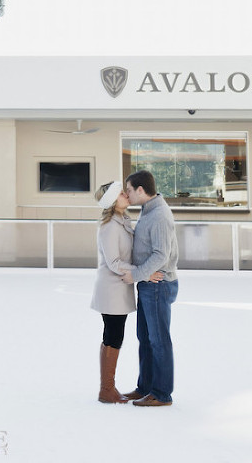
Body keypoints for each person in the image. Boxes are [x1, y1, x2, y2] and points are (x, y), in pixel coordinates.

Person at [90, 180, 163, 404]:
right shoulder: (110, 226)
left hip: (120, 288)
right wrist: (144, 272)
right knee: (113, 335)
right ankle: (106, 390)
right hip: (111, 289)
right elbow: (113, 262)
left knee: (115, 335)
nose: (126, 195)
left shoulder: (122, 220)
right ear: (113, 201)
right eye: (121, 193)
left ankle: (108, 388)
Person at [122, 169, 179, 408]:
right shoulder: (148, 210)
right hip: (148, 284)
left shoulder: (159, 215)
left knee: (158, 340)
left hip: (158, 285)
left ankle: (162, 393)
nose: (127, 195)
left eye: (129, 191)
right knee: (144, 338)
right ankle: (145, 387)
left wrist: (135, 275)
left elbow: (160, 255)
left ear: (141, 190)